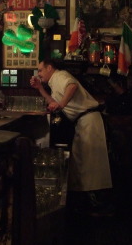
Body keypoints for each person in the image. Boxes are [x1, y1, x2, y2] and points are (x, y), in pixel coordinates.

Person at [30, 59, 114, 216]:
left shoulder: (60, 76)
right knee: (84, 165)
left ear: (50, 68)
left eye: (40, 70)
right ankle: (91, 206)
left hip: (89, 121)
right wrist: (40, 88)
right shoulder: (54, 81)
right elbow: (54, 103)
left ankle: (101, 207)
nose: (39, 73)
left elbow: (72, 87)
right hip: (83, 122)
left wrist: (61, 104)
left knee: (93, 166)